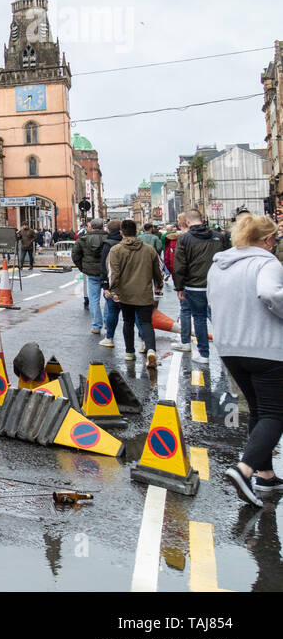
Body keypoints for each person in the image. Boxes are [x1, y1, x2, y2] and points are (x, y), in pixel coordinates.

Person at [208, 214, 283, 505]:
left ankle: (265, 475)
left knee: (258, 410)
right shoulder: (267, 262)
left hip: (230, 348)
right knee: (276, 412)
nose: (275, 244)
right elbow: (269, 293)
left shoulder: (220, 265)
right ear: (266, 240)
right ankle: (244, 468)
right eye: (275, 239)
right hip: (266, 347)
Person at [103, 219, 163, 368]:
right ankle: (151, 350)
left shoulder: (116, 250)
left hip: (125, 294)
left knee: (128, 322)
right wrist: (158, 285)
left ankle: (130, 352)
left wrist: (112, 290)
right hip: (144, 293)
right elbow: (158, 270)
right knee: (146, 322)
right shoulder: (149, 249)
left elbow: (113, 273)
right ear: (136, 232)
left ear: (122, 233)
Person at [173, 207, 228, 361]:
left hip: (194, 286)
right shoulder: (218, 237)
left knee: (199, 318)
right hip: (217, 284)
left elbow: (179, 266)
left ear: (188, 221)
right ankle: (226, 351)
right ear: (202, 219)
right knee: (219, 318)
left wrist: (179, 286)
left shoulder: (184, 239)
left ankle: (204, 354)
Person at [72, 217, 108, 334]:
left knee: (93, 299)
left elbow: (75, 255)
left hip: (91, 272)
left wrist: (83, 268)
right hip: (107, 272)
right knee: (108, 298)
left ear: (90, 227)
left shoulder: (82, 240)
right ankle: (108, 323)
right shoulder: (108, 239)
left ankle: (96, 326)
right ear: (103, 227)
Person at [97, 219, 124, 348]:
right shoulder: (129, 243)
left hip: (113, 283)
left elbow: (104, 266)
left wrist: (105, 285)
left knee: (112, 310)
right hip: (130, 284)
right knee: (134, 315)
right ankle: (143, 342)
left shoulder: (108, 245)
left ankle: (109, 337)